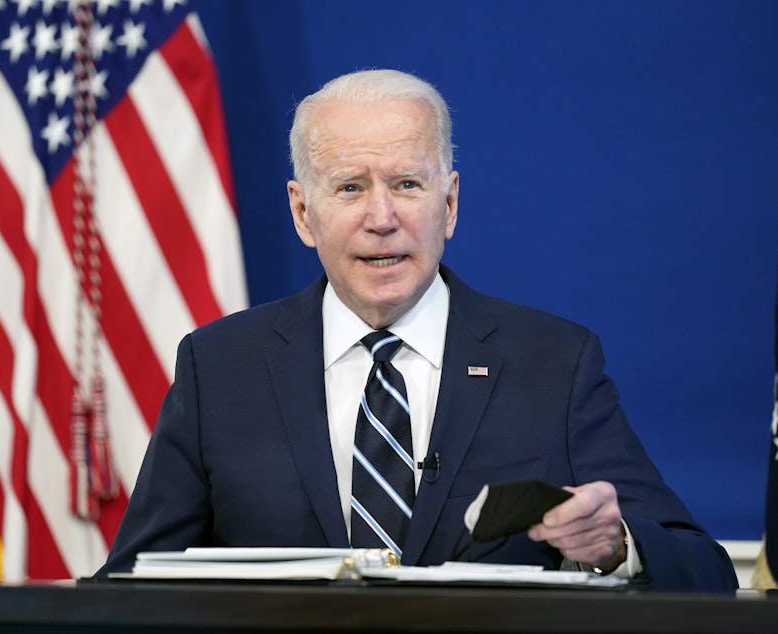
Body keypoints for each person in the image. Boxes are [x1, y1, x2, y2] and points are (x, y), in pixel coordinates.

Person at [96, 69, 737, 591]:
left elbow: (702, 569)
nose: (382, 217)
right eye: (350, 187)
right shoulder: (220, 368)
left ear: (449, 203)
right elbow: (130, 582)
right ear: (302, 212)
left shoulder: (554, 363)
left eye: (407, 183)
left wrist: (614, 545)